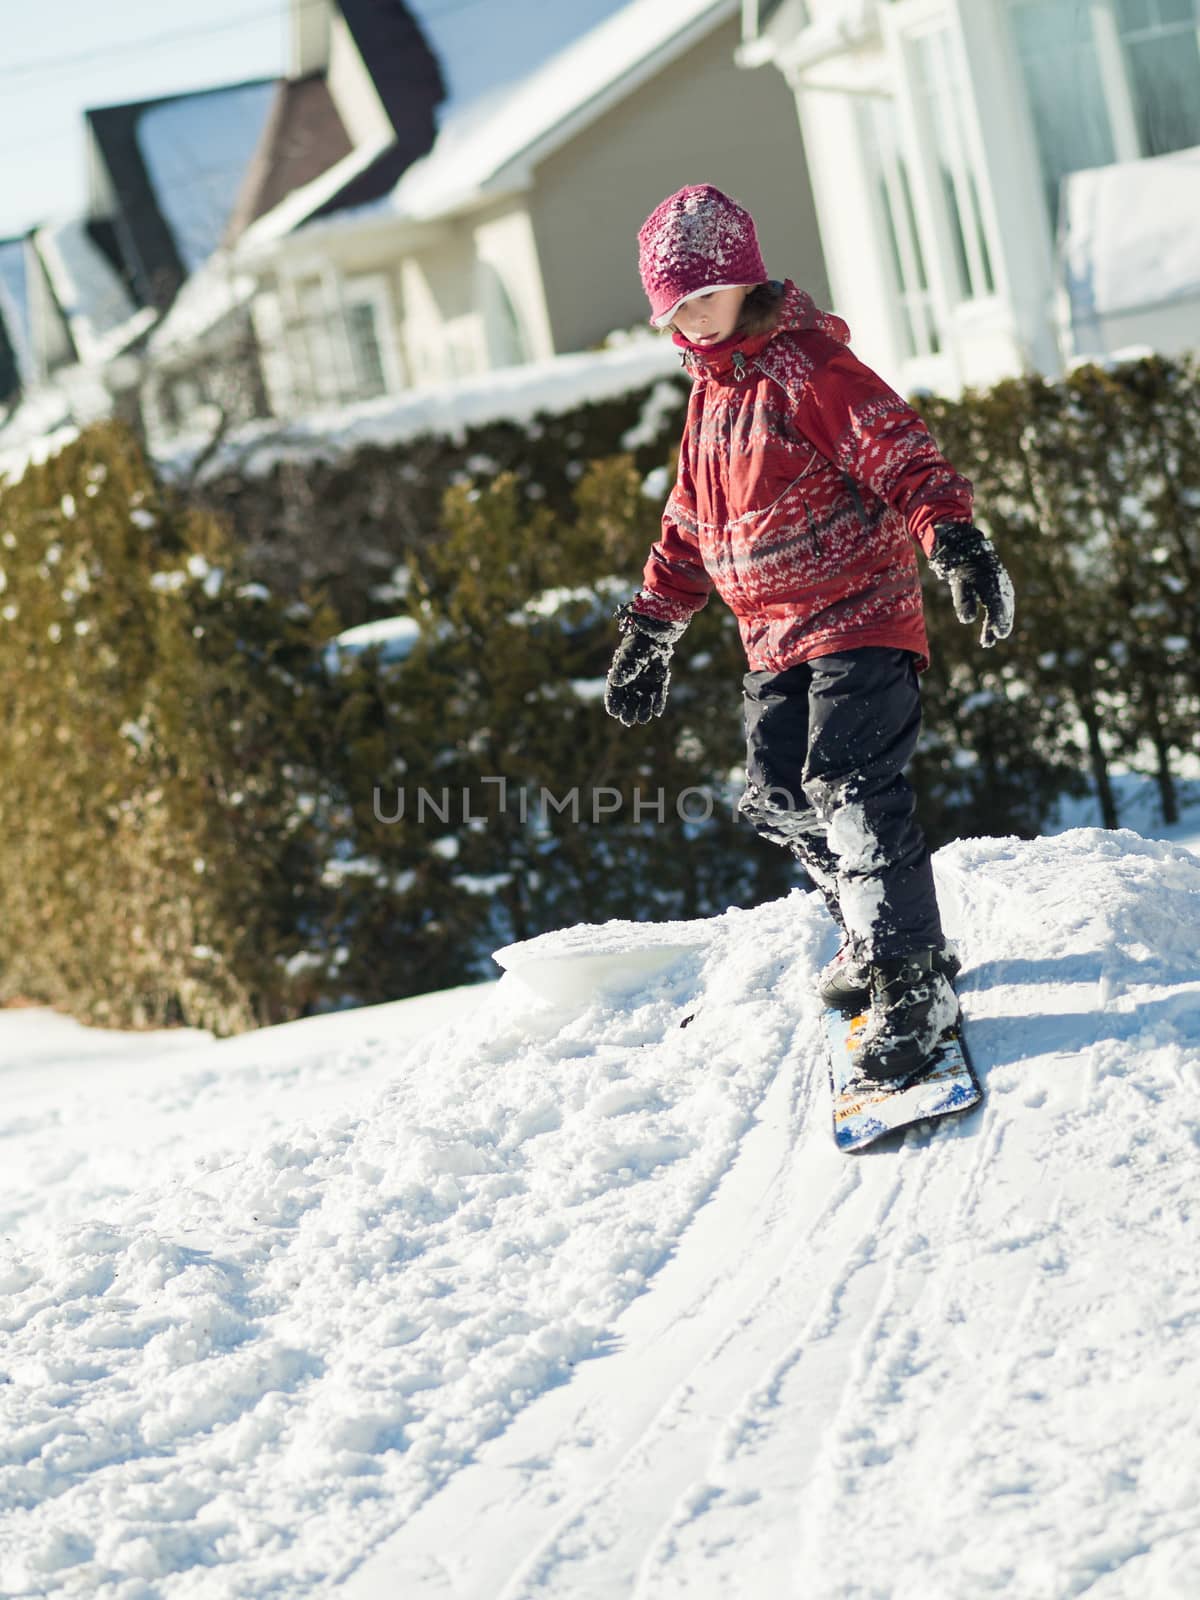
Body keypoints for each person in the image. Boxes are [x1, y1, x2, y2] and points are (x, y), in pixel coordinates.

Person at [604, 184, 1015, 1081]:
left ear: (744, 282)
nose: (691, 320)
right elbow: (690, 526)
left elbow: (900, 450)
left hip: (860, 615)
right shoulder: (709, 398)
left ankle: (911, 974)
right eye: (673, 309)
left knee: (850, 781)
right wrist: (650, 628)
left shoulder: (808, 369)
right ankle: (872, 934)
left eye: (703, 297)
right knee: (779, 796)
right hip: (774, 637)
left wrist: (954, 538)